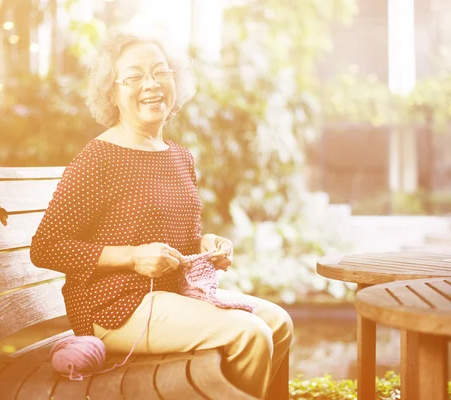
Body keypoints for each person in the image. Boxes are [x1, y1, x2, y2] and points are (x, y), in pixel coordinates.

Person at [30, 30, 293, 399]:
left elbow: (183, 238)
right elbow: (46, 247)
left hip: (173, 296)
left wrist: (207, 244)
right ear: (112, 92)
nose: (151, 85)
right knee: (249, 334)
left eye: (160, 72)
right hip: (114, 308)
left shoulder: (179, 156)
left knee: (278, 323)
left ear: (176, 81)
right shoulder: (99, 158)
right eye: (134, 77)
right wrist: (134, 256)